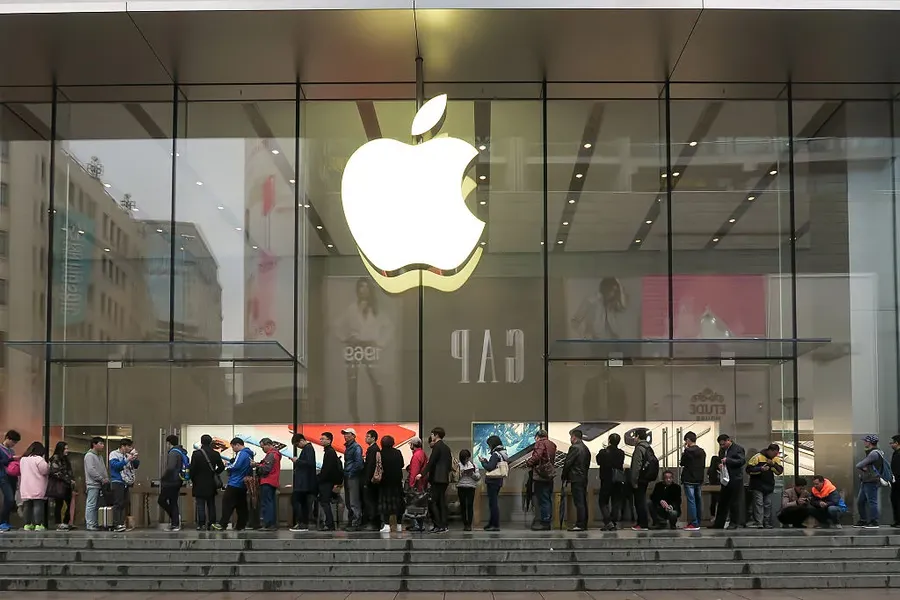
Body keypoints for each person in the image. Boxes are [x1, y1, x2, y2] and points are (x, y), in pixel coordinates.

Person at [213, 437, 255, 531]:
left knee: (227, 503)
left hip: (235, 482)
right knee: (241, 505)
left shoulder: (241, 453)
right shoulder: (249, 454)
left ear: (237, 445)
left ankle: (222, 524)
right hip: (243, 483)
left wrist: (227, 466)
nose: (233, 449)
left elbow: (236, 465)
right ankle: (241, 525)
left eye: (233, 447)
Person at [189, 434, 225, 531]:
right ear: (210, 442)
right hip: (211, 483)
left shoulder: (196, 454)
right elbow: (221, 467)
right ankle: (212, 523)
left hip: (199, 482)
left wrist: (192, 479)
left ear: (201, 442)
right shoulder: (215, 454)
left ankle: (201, 524)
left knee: (200, 504)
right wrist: (215, 473)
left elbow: (192, 469)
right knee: (211, 504)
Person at [419, 427, 451, 533]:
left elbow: (431, 462)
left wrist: (422, 474)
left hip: (437, 478)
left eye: (432, 434)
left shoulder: (437, 447)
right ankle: (444, 525)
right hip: (444, 478)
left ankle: (438, 525)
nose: (431, 436)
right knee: (441, 502)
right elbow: (449, 465)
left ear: (436, 435)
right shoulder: (446, 447)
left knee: (432, 502)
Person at [746, 443, 784, 529]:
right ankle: (759, 522)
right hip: (757, 485)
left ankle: (766, 521)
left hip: (769, 484)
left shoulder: (775, 459)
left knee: (767, 504)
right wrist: (760, 469)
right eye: (774, 453)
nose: (775, 455)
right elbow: (748, 469)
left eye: (776, 454)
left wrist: (773, 464)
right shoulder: (757, 457)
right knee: (758, 503)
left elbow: (779, 471)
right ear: (770, 451)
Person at [525, 429, 557, 531]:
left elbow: (537, 456)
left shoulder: (540, 443)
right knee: (547, 498)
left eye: (535, 438)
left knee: (542, 499)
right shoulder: (552, 444)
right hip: (549, 474)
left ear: (538, 436)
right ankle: (547, 520)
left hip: (541, 475)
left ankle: (545, 522)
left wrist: (529, 462)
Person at [713, 434, 745, 530]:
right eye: (721, 445)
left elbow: (741, 461)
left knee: (734, 502)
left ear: (728, 440)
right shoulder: (722, 451)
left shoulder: (738, 449)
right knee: (723, 502)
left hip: (735, 478)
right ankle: (719, 523)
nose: (722, 446)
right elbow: (719, 460)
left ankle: (734, 522)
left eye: (723, 444)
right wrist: (719, 464)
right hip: (725, 478)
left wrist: (729, 460)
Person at [562, 428, 591, 532]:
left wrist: (564, 476)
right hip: (583, 477)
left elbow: (568, 463)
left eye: (571, 437)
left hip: (576, 478)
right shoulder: (586, 448)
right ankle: (584, 523)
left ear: (574, 437)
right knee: (583, 501)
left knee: (579, 502)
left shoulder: (574, 448)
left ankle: (580, 524)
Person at [855, 434, 887, 529]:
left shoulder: (874, 453)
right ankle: (863, 520)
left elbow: (859, 465)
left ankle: (874, 521)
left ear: (870, 442)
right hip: (866, 480)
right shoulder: (871, 452)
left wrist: (863, 466)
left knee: (872, 502)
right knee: (860, 502)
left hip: (872, 480)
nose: (864, 442)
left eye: (865, 441)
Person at [108, 438, 140, 532]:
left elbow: (136, 466)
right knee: (118, 503)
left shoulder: (127, 455)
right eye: (129, 446)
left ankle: (121, 523)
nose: (130, 448)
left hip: (126, 482)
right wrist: (127, 460)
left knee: (124, 503)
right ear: (123, 446)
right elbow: (115, 466)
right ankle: (116, 524)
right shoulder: (114, 454)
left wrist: (134, 458)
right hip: (117, 481)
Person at [596, 433, 626, 532]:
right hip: (618, 480)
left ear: (609, 440)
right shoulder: (621, 453)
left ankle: (608, 522)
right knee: (616, 502)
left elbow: (598, 461)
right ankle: (613, 522)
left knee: (603, 502)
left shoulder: (603, 452)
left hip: (606, 480)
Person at [480, 435, 508, 532]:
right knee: (493, 503)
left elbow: (490, 467)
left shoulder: (495, 454)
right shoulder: (502, 453)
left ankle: (494, 525)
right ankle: (492, 523)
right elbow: (494, 466)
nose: (488, 447)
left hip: (493, 481)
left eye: (489, 445)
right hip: (498, 481)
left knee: (493, 504)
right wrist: (488, 461)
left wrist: (483, 462)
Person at [289, 433, 317, 532]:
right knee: (303, 503)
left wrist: (297, 461)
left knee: (296, 501)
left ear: (301, 441)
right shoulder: (308, 448)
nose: (298, 447)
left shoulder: (308, 448)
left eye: (297, 445)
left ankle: (302, 522)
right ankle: (303, 523)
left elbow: (310, 463)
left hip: (304, 483)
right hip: (304, 483)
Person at [377, 435, 405, 533]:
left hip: (385, 482)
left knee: (386, 504)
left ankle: (386, 525)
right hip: (397, 481)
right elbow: (402, 464)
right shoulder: (398, 452)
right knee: (398, 503)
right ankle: (399, 524)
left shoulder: (380, 453)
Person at [679, 431, 706, 531]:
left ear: (688, 440)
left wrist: (684, 451)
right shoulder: (702, 451)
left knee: (691, 501)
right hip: (698, 479)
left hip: (689, 479)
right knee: (698, 500)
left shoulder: (687, 451)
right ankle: (698, 522)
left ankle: (694, 523)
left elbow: (682, 463)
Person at [629, 429, 655, 531]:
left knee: (639, 501)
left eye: (635, 436)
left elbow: (636, 466)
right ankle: (643, 522)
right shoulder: (648, 447)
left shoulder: (639, 448)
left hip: (640, 479)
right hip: (645, 478)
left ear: (638, 436)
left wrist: (634, 481)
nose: (634, 438)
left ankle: (642, 523)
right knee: (641, 500)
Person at [317, 432, 343, 531]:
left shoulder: (330, 452)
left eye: (323, 438)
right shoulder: (329, 452)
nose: (321, 440)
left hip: (327, 482)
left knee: (325, 502)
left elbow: (328, 469)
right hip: (328, 481)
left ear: (329, 440)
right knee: (325, 502)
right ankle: (329, 523)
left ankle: (329, 523)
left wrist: (319, 478)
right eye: (321, 438)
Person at [47, 441, 76, 531]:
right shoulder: (55, 458)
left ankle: (66, 522)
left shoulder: (66, 459)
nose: (67, 450)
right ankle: (58, 523)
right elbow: (55, 472)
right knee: (59, 504)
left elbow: (69, 471)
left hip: (67, 485)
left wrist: (71, 480)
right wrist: (68, 479)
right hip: (59, 484)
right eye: (65, 448)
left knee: (68, 503)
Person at [20, 442, 48, 532]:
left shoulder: (23, 459)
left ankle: (27, 525)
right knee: (38, 504)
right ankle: (38, 524)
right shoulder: (39, 459)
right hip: (37, 485)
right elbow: (45, 470)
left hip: (25, 486)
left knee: (27, 505)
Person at [256, 437, 281, 531]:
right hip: (273, 481)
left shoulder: (271, 455)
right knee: (271, 502)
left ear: (268, 445)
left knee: (267, 503)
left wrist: (258, 466)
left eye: (263, 447)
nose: (262, 449)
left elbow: (266, 469)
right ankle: (272, 524)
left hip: (267, 480)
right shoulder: (275, 454)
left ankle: (268, 524)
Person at [341, 428, 364, 531]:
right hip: (348, 475)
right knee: (349, 501)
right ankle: (351, 522)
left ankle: (356, 523)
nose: (345, 436)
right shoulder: (349, 447)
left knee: (353, 500)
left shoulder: (356, 447)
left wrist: (351, 473)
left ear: (353, 435)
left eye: (347, 434)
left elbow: (359, 463)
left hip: (353, 476)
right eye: (345, 434)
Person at [83, 436, 108, 532]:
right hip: (92, 484)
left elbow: (103, 468)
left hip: (100, 484)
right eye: (100, 443)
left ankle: (95, 522)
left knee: (97, 505)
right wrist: (101, 479)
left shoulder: (99, 456)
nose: (102, 446)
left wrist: (106, 478)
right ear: (94, 444)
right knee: (91, 504)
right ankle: (90, 524)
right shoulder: (89, 456)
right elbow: (91, 470)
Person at [0, 430, 20, 531]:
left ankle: (6, 522)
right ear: (7, 438)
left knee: (10, 501)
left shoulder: (11, 451)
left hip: (12, 477)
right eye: (13, 442)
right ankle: (2, 522)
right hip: (3, 476)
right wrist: (11, 459)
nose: (13, 444)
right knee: (9, 498)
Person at [407, 437, 428, 532]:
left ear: (413, 445)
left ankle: (416, 525)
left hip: (417, 485)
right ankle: (421, 525)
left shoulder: (416, 456)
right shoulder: (423, 453)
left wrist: (411, 485)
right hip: (423, 483)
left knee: (414, 504)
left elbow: (414, 472)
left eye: (410, 444)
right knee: (421, 505)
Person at [457, 448, 480, 531]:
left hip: (471, 487)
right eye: (464, 458)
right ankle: (465, 523)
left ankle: (469, 524)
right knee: (463, 506)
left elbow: (478, 477)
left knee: (470, 505)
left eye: (467, 458)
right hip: (461, 486)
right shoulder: (458, 465)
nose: (466, 460)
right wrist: (460, 474)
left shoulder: (474, 465)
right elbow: (455, 478)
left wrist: (472, 474)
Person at [363, 429, 381, 531]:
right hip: (372, 480)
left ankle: (374, 522)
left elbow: (370, 466)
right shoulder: (373, 449)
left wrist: (367, 481)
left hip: (371, 481)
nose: (366, 438)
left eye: (368, 436)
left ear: (373, 438)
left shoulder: (373, 449)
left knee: (371, 502)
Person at [891, 435, 900, 527]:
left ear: (897, 443)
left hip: (898, 482)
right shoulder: (896, 453)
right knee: (894, 500)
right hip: (895, 481)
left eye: (892, 442)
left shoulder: (898, 454)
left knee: (897, 500)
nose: (891, 444)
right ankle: (897, 521)